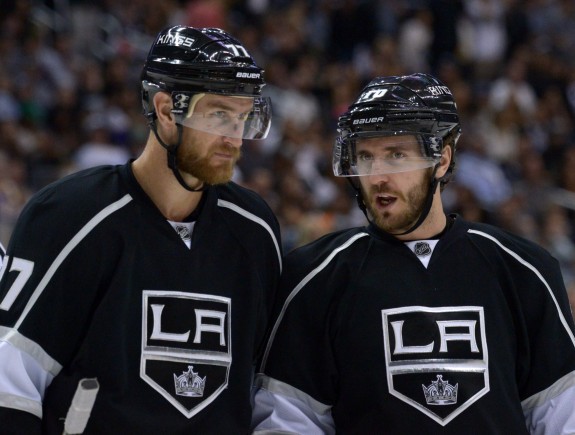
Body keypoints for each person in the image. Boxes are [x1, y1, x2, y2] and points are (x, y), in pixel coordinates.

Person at [252, 73, 575, 433]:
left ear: (441, 159)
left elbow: (561, 414)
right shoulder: (315, 275)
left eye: (396, 156)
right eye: (365, 157)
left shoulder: (523, 269)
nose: (377, 177)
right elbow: (289, 420)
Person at [0, 25, 282, 434]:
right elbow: (12, 378)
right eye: (219, 113)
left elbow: (266, 391)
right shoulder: (69, 215)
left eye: (243, 116)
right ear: (166, 110)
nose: (234, 136)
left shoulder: (256, 231)